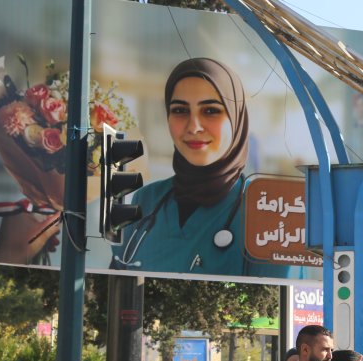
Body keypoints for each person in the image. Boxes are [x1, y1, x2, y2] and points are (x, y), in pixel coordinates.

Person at [110, 58, 285, 278]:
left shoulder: (267, 214)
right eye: (180, 110)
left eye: (210, 111)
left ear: (236, 117)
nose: (194, 126)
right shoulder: (147, 200)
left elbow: (280, 305)